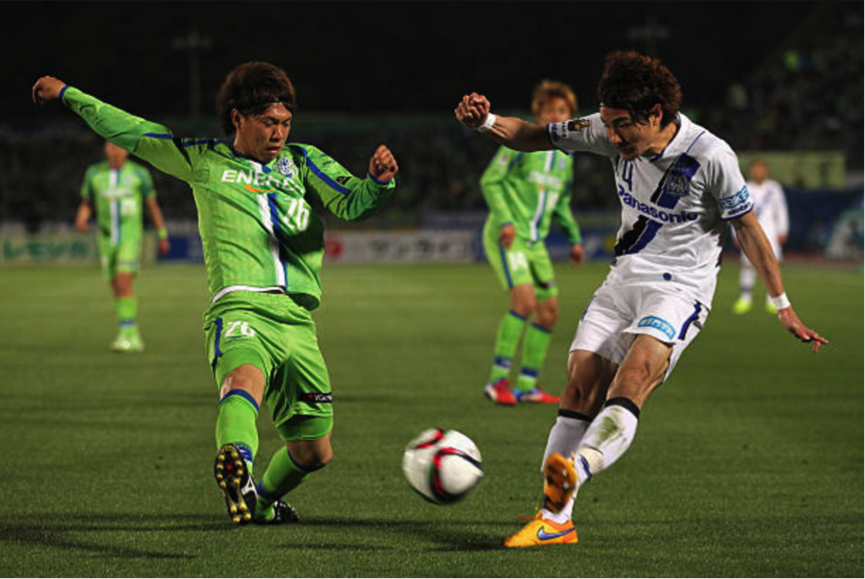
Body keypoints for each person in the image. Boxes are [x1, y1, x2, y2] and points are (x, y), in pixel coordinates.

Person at [455, 50, 827, 548]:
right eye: (606, 125)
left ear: (655, 115)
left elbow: (749, 229)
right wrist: (487, 122)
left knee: (634, 377)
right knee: (580, 385)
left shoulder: (711, 155)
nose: (610, 137)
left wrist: (782, 303)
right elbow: (533, 137)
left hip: (681, 289)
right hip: (623, 279)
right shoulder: (607, 130)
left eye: (621, 126)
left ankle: (577, 470)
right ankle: (555, 520)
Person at [33, 61, 398, 526]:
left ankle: (259, 501)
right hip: (240, 303)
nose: (279, 133)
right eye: (268, 122)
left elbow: (352, 200)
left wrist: (379, 183)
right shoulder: (204, 160)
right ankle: (238, 461)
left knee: (314, 451)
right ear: (237, 118)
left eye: (285, 123)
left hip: (298, 321)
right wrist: (68, 93)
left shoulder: (303, 161)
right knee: (243, 379)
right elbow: (132, 131)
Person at [480, 80, 585, 406]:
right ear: (538, 112)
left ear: (570, 115)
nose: (556, 115)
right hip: (507, 234)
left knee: (549, 311)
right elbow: (490, 181)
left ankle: (527, 385)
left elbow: (562, 202)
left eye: (562, 111)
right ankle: (497, 381)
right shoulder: (518, 144)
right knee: (524, 302)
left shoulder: (565, 158)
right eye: (549, 110)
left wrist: (574, 239)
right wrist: (507, 221)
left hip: (535, 243)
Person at [76, 140, 170, 353]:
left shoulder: (139, 174)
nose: (115, 150)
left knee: (123, 280)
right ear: (105, 149)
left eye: (119, 146)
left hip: (130, 236)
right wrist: (82, 218)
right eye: (111, 145)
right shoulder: (94, 173)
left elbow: (151, 205)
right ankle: (132, 333)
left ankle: (127, 335)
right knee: (115, 285)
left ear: (127, 150)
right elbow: (87, 202)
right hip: (106, 238)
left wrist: (162, 234)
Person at [732, 160, 789, 314]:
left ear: (766, 171)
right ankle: (745, 299)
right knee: (748, 264)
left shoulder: (774, 188)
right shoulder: (745, 187)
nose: (758, 172)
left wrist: (782, 230)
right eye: (755, 169)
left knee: (772, 265)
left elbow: (781, 210)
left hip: (770, 232)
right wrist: (736, 232)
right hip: (750, 232)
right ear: (751, 171)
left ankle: (773, 300)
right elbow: (737, 211)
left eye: (761, 169)